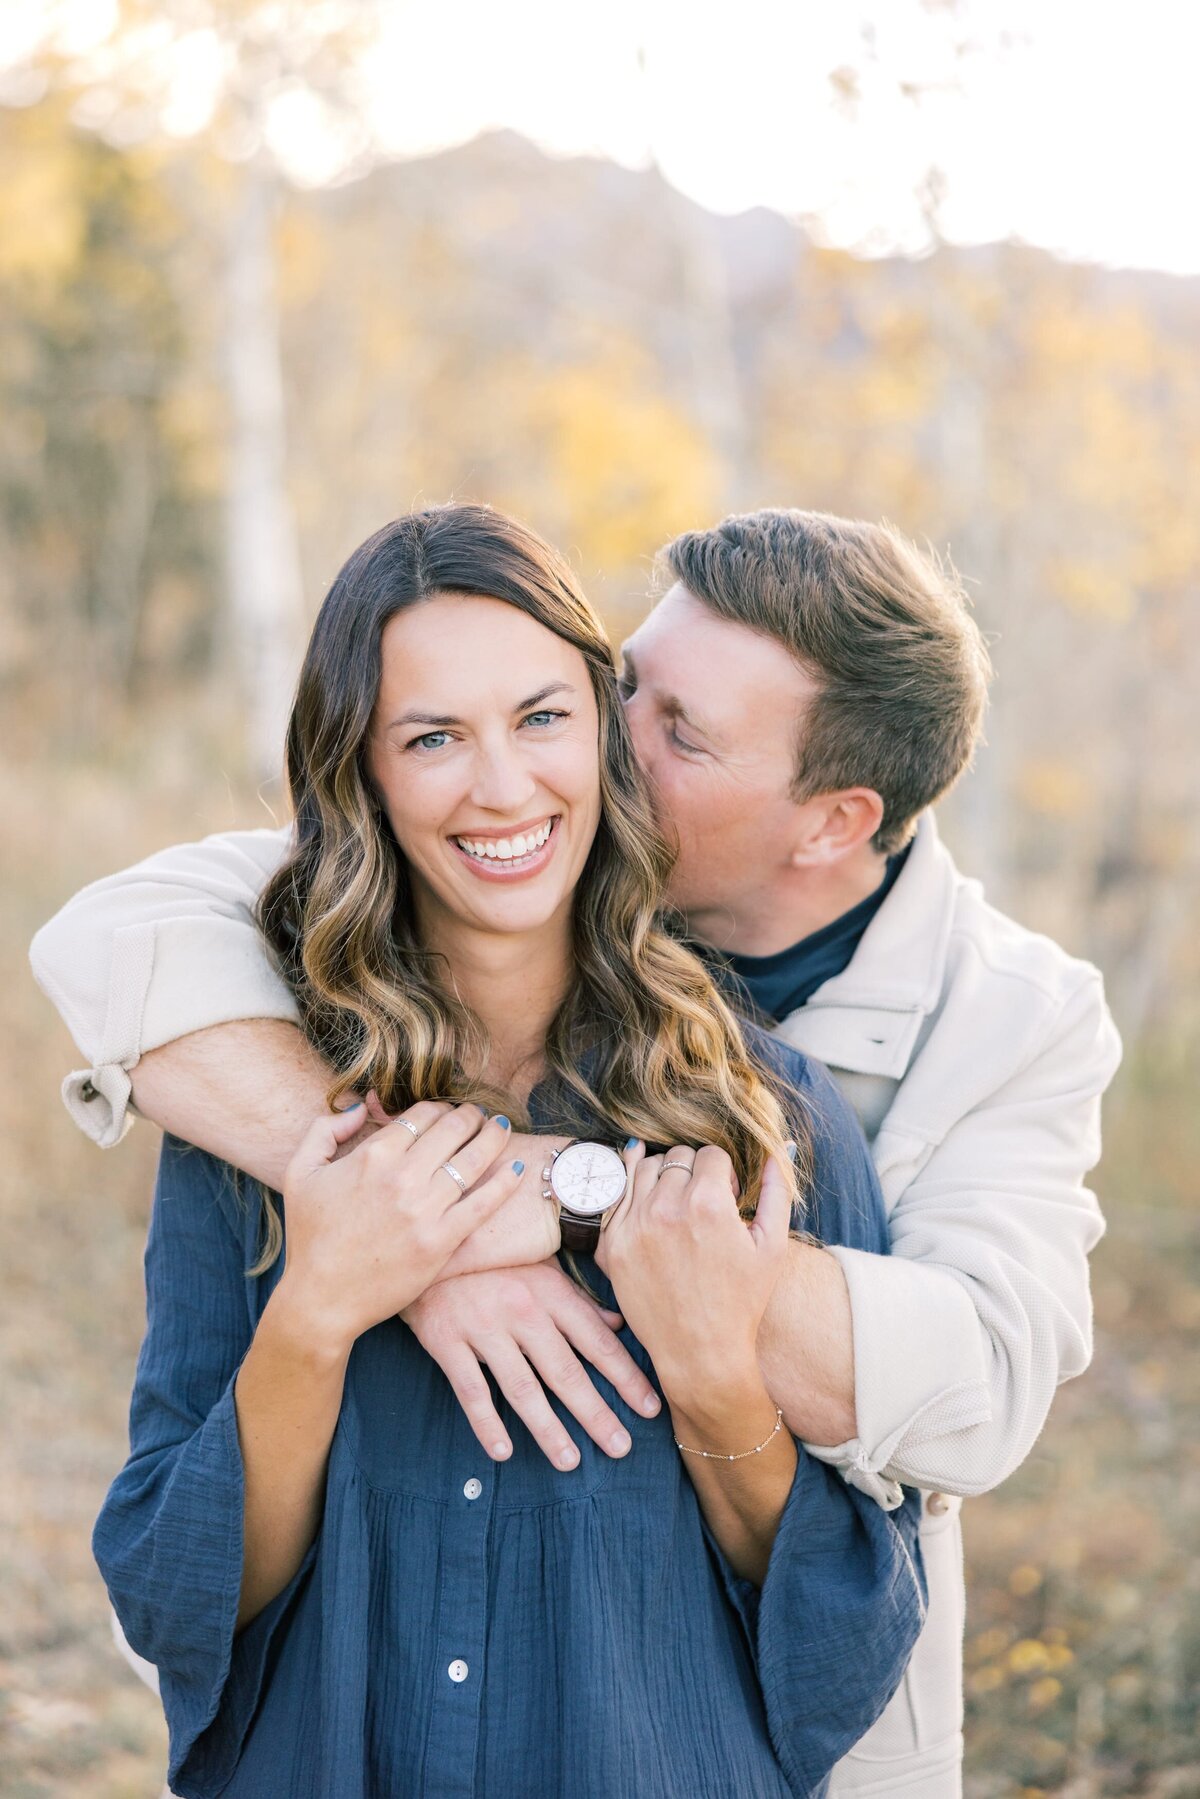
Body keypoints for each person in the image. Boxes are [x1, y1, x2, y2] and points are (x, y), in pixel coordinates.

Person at [31, 506, 1121, 1798]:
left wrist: (602, 1242)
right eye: (622, 688)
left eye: (669, 731)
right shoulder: (287, 1043)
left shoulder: (946, 1047)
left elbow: (979, 1399)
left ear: (831, 822)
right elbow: (115, 934)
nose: (549, 766)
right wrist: (391, 1246)